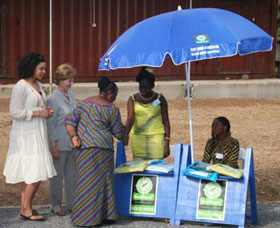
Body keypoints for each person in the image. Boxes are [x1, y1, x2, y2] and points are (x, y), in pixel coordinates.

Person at [65, 76, 127, 227]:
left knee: (84, 183)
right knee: (103, 183)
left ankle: (82, 218)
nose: (114, 98)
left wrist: (74, 137)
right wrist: (127, 131)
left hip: (83, 149)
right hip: (102, 150)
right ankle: (103, 216)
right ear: (109, 93)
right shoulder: (111, 109)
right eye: (115, 95)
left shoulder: (83, 104)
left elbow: (69, 123)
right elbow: (118, 132)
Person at [3, 53, 57, 221]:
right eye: (41, 68)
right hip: (25, 134)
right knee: (35, 170)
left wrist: (46, 112)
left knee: (31, 170)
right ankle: (26, 208)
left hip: (39, 131)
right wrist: (38, 113)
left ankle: (25, 207)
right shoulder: (21, 86)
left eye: (44, 68)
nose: (44, 71)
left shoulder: (39, 85)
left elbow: (40, 104)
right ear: (31, 68)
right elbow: (15, 112)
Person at [46, 64, 77, 216]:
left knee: (72, 176)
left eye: (71, 80)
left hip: (72, 142)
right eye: (67, 80)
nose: (70, 83)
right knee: (57, 177)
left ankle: (72, 203)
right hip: (58, 142)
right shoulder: (52, 99)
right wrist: (52, 145)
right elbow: (50, 124)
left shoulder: (72, 96)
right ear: (59, 80)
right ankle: (56, 204)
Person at [125, 67, 170, 160]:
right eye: (141, 87)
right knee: (139, 167)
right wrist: (125, 135)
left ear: (152, 85)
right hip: (138, 138)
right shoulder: (132, 99)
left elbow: (166, 122)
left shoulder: (160, 99)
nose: (143, 91)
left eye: (146, 88)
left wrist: (166, 143)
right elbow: (130, 119)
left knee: (156, 167)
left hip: (156, 137)